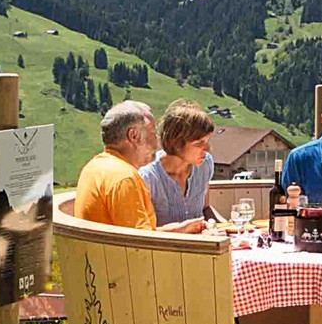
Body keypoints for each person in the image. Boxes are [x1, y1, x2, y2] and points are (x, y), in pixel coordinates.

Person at [73, 100, 216, 234]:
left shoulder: (94, 167)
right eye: (152, 133)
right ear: (133, 136)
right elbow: (141, 241)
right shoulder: (125, 178)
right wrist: (182, 230)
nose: (157, 140)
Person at [143, 99, 217, 228]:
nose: (208, 148)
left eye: (208, 141)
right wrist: (183, 230)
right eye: (199, 143)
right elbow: (142, 233)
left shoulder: (205, 164)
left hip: (202, 244)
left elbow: (205, 209)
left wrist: (228, 226)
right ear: (177, 144)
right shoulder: (147, 177)